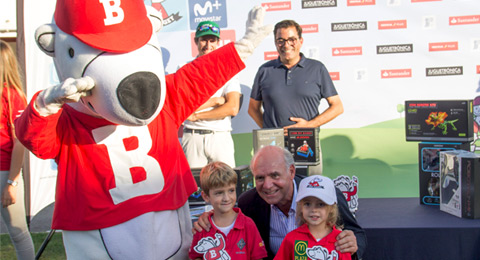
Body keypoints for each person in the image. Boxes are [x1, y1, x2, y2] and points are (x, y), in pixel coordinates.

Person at [195, 146, 366, 260]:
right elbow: (229, 218)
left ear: (291, 171)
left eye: (275, 175)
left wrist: (352, 242)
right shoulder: (248, 203)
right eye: (260, 178)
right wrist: (210, 217)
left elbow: (357, 232)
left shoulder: (323, 195)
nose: (267, 185)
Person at [248, 19, 344, 174]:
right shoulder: (264, 70)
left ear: (300, 41)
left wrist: (309, 125)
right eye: (281, 40)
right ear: (275, 43)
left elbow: (337, 106)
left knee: (309, 193)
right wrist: (271, 132)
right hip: (273, 146)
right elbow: (252, 109)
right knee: (274, 191)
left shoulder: (317, 69)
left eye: (291, 39)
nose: (286, 45)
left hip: (307, 142)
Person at [182, 21, 242, 168]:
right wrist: (216, 101)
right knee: (194, 189)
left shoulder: (228, 69)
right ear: (196, 41)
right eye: (203, 40)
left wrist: (197, 116)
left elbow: (232, 108)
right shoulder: (186, 70)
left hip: (220, 137)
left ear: (218, 42)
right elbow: (185, 107)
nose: (208, 45)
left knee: (226, 185)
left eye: (212, 40)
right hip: (192, 136)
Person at [0, 40, 35, 260]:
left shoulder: (13, 96)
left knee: (18, 232)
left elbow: (19, 143)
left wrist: (11, 183)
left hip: (5, 173)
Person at [189, 161, 267, 260]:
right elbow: (195, 257)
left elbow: (258, 257)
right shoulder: (202, 228)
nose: (226, 198)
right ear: (206, 196)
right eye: (219, 193)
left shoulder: (248, 225)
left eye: (231, 190)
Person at [274, 175, 351, 260]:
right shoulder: (291, 238)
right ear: (300, 207)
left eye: (321, 204)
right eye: (307, 204)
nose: (314, 210)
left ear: (332, 208)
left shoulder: (341, 241)